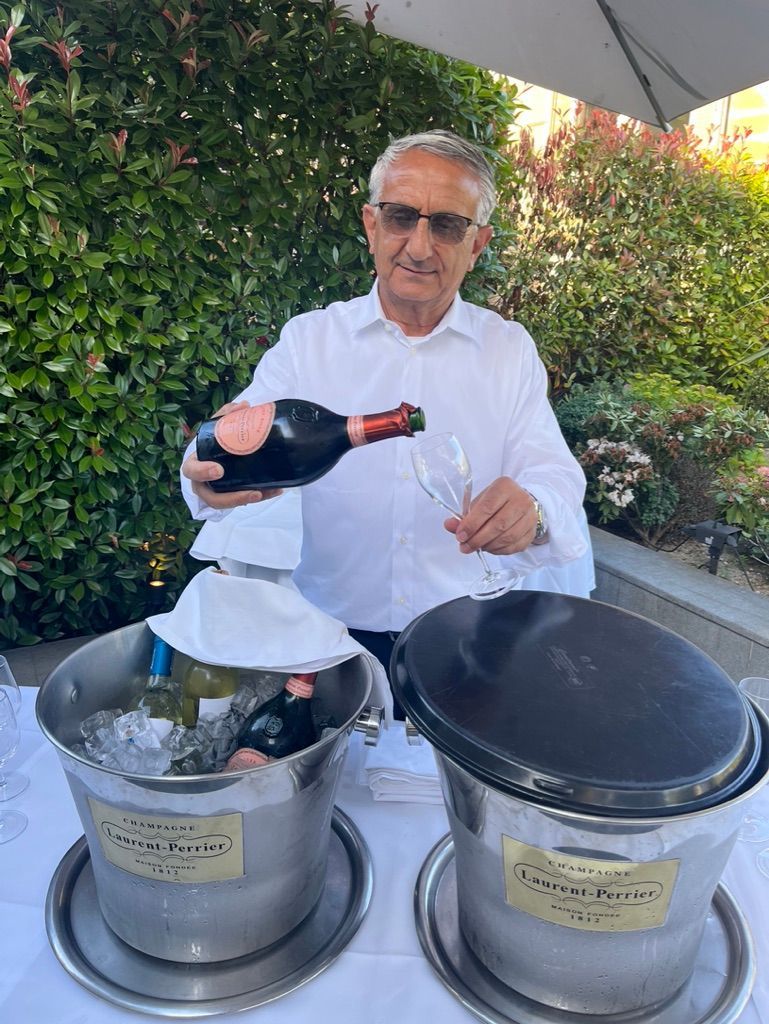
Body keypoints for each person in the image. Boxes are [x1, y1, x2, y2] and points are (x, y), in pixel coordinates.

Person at [181, 129, 588, 688]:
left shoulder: (508, 350)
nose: (420, 247)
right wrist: (206, 476)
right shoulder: (309, 342)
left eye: (447, 225)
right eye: (401, 216)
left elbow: (554, 476)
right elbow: (232, 438)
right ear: (371, 225)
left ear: (478, 244)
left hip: (470, 637)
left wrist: (534, 511)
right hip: (330, 642)